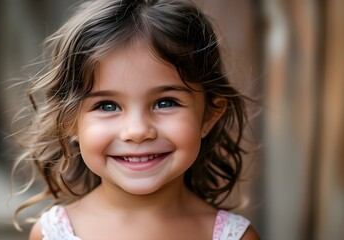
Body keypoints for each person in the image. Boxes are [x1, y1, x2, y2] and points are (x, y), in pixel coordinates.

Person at [13, 0, 259, 239]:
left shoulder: (233, 236)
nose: (137, 131)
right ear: (69, 122)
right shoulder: (53, 234)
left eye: (165, 103)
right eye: (107, 106)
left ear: (208, 116)